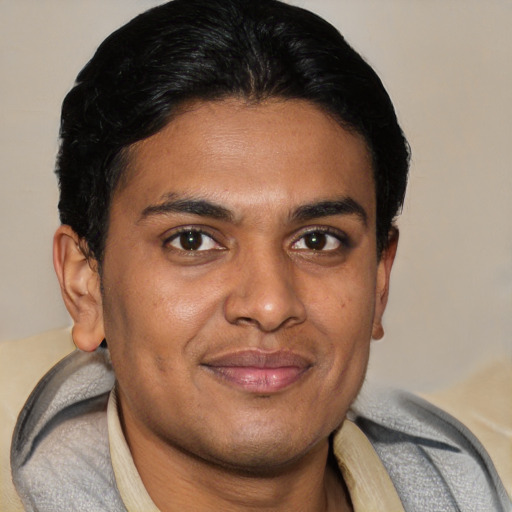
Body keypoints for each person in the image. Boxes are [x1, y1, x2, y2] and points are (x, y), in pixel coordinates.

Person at [2, 0, 510, 510]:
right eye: (193, 240)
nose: (269, 304)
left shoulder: (474, 487)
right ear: (84, 284)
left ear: (379, 281)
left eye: (317, 240)